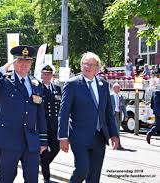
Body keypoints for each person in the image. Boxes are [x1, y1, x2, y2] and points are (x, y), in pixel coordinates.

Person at [0, 45, 48, 183]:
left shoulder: (36, 84)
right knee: (6, 178)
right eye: (20, 60)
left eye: (27, 61)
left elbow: (40, 114)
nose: (24, 64)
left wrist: (43, 140)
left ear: (31, 63)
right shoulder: (4, 80)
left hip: (31, 139)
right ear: (14, 62)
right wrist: (2, 70)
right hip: (8, 138)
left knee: (32, 179)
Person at [58, 52, 119, 183]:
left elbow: (108, 112)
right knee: (82, 170)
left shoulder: (103, 85)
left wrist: (114, 134)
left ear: (97, 67)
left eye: (92, 64)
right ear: (81, 66)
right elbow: (64, 112)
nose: (88, 67)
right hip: (79, 137)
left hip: (99, 137)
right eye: (85, 63)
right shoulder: (72, 84)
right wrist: (63, 137)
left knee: (94, 176)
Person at [40, 64, 61, 183]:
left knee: (56, 149)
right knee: (44, 151)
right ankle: (46, 177)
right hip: (43, 126)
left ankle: (43, 163)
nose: (47, 76)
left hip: (55, 126)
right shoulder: (37, 88)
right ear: (42, 75)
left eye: (49, 74)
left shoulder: (57, 89)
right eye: (45, 74)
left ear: (52, 75)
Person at [110, 83, 128, 150]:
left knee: (117, 130)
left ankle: (118, 144)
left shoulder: (120, 96)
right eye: (117, 88)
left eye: (119, 88)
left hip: (118, 114)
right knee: (114, 130)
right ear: (113, 88)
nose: (119, 89)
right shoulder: (110, 96)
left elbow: (123, 107)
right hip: (112, 115)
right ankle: (116, 144)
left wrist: (125, 115)